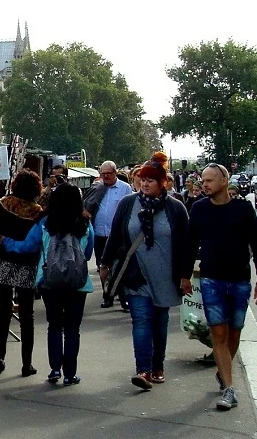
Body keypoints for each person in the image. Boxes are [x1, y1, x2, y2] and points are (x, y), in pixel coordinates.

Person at [100, 153, 192, 390]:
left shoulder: (176, 208)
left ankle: (158, 365)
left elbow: (186, 244)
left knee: (159, 322)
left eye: (151, 180)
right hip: (135, 274)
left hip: (165, 275)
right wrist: (105, 263)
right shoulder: (128, 204)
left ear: (163, 183)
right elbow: (116, 235)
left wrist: (185, 275)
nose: (145, 183)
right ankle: (143, 370)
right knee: (141, 320)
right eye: (142, 179)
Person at [2, 184, 95, 386]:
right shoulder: (85, 224)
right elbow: (87, 254)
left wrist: (6, 242)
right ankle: (70, 373)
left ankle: (55, 370)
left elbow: (27, 247)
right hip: (78, 284)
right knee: (72, 329)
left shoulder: (45, 223)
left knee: (54, 326)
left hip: (49, 281)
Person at [186, 163, 257, 411]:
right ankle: (229, 388)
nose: (204, 185)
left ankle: (222, 370)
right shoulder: (199, 209)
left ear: (224, 181)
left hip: (238, 279)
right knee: (219, 333)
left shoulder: (243, 209)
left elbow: (256, 244)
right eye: (202, 181)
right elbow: (190, 242)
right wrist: (185, 276)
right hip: (211, 279)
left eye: (209, 181)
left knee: (234, 333)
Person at [0, 170, 44, 376]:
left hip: (3, 262)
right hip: (27, 265)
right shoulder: (38, 212)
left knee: (4, 310)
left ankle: (0, 358)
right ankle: (27, 364)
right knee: (27, 315)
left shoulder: (2, 205)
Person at [83, 160, 134, 308]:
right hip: (100, 233)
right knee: (103, 266)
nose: (105, 177)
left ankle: (123, 297)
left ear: (115, 173)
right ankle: (107, 296)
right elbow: (85, 204)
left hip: (118, 235)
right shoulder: (96, 188)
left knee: (120, 266)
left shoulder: (125, 189)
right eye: (102, 174)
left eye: (108, 174)